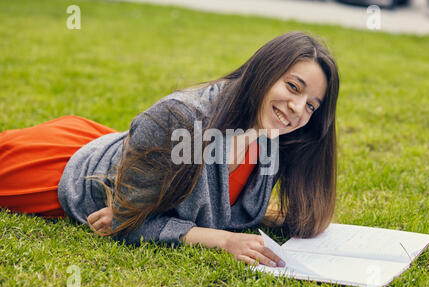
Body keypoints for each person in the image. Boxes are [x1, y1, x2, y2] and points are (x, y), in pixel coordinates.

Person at [0, 31, 339, 268]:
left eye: (311, 106)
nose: (297, 108)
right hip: (61, 173)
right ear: (263, 72)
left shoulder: (276, 138)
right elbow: (126, 223)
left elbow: (220, 209)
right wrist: (221, 241)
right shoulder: (179, 118)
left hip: (124, 152)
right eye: (293, 87)